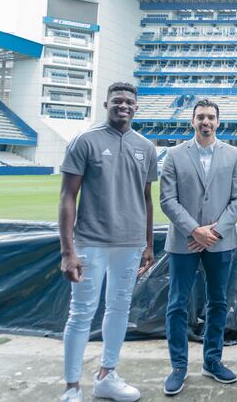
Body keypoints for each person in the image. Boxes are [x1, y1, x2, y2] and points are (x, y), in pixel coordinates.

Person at [58, 82, 157, 402]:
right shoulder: (85, 140)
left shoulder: (146, 146)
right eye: (118, 100)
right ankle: (72, 387)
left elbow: (147, 199)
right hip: (90, 242)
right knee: (82, 312)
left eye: (129, 101)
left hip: (129, 244)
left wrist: (148, 244)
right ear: (106, 104)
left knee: (119, 309)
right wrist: (67, 250)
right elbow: (67, 197)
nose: (124, 105)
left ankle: (107, 375)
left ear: (137, 107)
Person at [159, 99, 237, 395]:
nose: (206, 121)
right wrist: (195, 230)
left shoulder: (234, 155)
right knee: (177, 304)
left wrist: (214, 232)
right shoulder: (173, 155)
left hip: (221, 242)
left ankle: (212, 360)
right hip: (184, 240)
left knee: (218, 303)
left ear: (218, 122)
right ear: (192, 121)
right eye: (200, 117)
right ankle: (178, 367)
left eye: (211, 117)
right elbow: (167, 200)